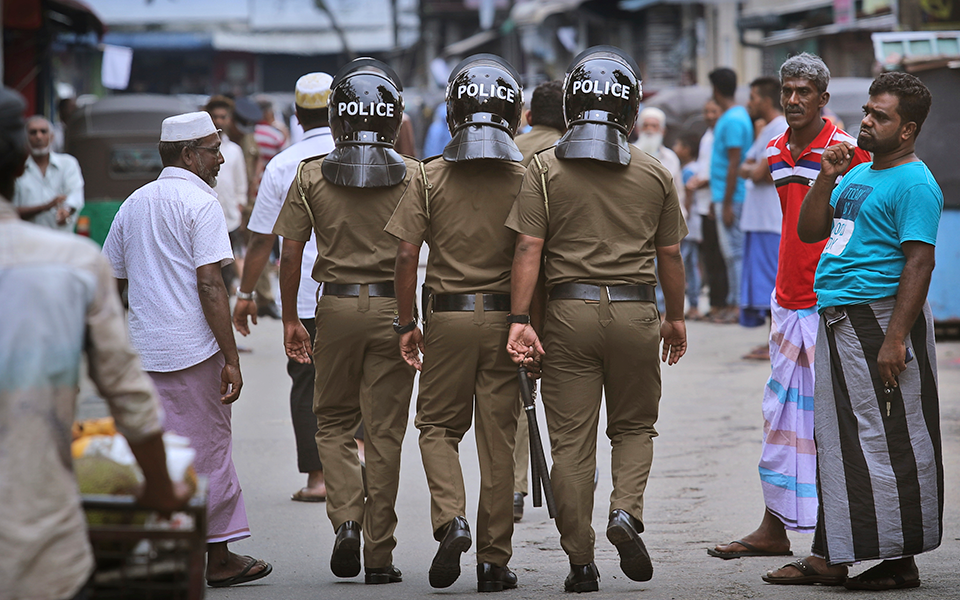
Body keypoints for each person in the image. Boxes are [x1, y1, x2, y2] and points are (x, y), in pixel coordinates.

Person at [504, 46, 688, 593]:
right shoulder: (654, 173)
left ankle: (580, 561)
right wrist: (674, 319)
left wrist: (519, 320)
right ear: (632, 114)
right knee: (633, 427)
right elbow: (671, 257)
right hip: (636, 314)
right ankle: (626, 512)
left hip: (567, 314)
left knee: (571, 445)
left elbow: (528, 250)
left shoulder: (543, 168)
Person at [0, 86, 189, 600]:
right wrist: (159, 487)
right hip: (41, 548)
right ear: (20, 157)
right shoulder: (73, 265)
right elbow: (127, 394)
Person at [769, 71, 944, 591]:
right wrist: (826, 175)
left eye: (880, 116)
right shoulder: (857, 172)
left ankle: (900, 559)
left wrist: (895, 340)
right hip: (840, 319)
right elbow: (810, 230)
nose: (866, 121)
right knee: (842, 441)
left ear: (907, 129)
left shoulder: (915, 182)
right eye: (867, 111)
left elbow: (919, 263)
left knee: (891, 440)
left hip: (878, 321)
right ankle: (831, 554)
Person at [710, 53, 870, 564]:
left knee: (828, 423)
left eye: (805, 92)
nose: (794, 100)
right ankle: (774, 527)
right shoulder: (777, 150)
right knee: (780, 419)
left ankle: (829, 540)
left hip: (830, 300)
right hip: (787, 299)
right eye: (788, 91)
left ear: (824, 99)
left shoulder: (847, 152)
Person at [102, 111, 272, 588]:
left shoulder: (135, 202)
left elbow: (109, 278)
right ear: (188, 155)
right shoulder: (201, 203)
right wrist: (232, 358)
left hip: (145, 352)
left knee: (152, 452)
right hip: (194, 352)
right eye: (214, 150)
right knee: (209, 451)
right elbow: (210, 284)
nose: (222, 158)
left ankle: (157, 552)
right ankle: (216, 558)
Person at [273, 58, 417, 585]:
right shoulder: (413, 175)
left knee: (331, 421)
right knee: (383, 433)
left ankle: (347, 520)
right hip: (393, 310)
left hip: (331, 308)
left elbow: (289, 257)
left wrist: (291, 318)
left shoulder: (310, 174)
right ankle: (379, 554)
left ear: (336, 120)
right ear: (393, 118)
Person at [387, 53, 526, 592]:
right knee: (498, 443)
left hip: (445, 319)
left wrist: (406, 324)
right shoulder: (525, 177)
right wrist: (526, 321)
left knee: (437, 428)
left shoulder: (428, 176)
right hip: (505, 322)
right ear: (512, 118)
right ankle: (493, 562)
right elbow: (533, 253)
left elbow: (404, 257)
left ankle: (451, 519)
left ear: (452, 116)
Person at [233, 72, 335, 503]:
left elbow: (261, 240)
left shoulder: (282, 164)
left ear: (297, 114)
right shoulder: (368, 155)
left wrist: (245, 294)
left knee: (308, 381)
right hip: (366, 289)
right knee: (364, 377)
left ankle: (318, 479)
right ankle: (362, 460)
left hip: (305, 293)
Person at [509, 78, 565, 523]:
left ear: (528, 115)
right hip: (569, 287)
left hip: (518, 284)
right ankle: (573, 481)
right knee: (572, 392)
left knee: (516, 386)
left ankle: (514, 486)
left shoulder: (512, 149)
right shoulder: (580, 154)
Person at [738, 76, 787, 335]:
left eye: (753, 97)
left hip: (770, 220)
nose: (749, 103)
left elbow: (759, 173)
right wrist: (752, 169)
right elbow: (747, 167)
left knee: (771, 283)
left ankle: (776, 342)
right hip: (759, 219)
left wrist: (753, 170)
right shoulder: (766, 130)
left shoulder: (779, 129)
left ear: (767, 101)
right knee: (764, 282)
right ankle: (772, 342)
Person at [709, 68, 754, 323]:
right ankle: (735, 302)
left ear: (716, 90)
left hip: (732, 197)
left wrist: (726, 203)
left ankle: (737, 305)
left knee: (734, 252)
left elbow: (734, 162)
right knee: (733, 253)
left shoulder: (734, 119)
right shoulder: (734, 116)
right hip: (728, 195)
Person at [205, 95, 249, 293]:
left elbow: (241, 184)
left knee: (228, 267)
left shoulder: (235, 151)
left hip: (229, 217)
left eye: (223, 117)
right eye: (215, 116)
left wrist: (239, 206)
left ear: (229, 119)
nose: (219, 121)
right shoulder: (201, 150)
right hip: (205, 216)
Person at [686, 99, 726, 319]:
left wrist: (699, 183)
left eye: (714, 111)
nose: (709, 115)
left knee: (719, 257)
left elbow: (716, 171)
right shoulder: (707, 136)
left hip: (713, 201)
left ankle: (723, 304)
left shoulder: (720, 135)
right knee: (709, 257)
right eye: (706, 111)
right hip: (703, 203)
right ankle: (715, 304)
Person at [12, 115, 84, 232]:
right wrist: (46, 206)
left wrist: (66, 210)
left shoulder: (68, 164)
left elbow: (75, 195)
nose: (38, 136)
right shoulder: (17, 169)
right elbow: (12, 210)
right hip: (28, 243)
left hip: (61, 242)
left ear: (52, 137)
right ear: (26, 138)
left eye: (43, 132)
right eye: (33, 132)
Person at [673, 130, 703, 318]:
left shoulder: (687, 171)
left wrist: (685, 214)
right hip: (695, 223)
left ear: (687, 149)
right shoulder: (696, 167)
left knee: (685, 263)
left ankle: (691, 304)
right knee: (692, 264)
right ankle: (694, 303)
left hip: (689, 223)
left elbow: (687, 195)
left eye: (679, 145)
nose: (676, 149)